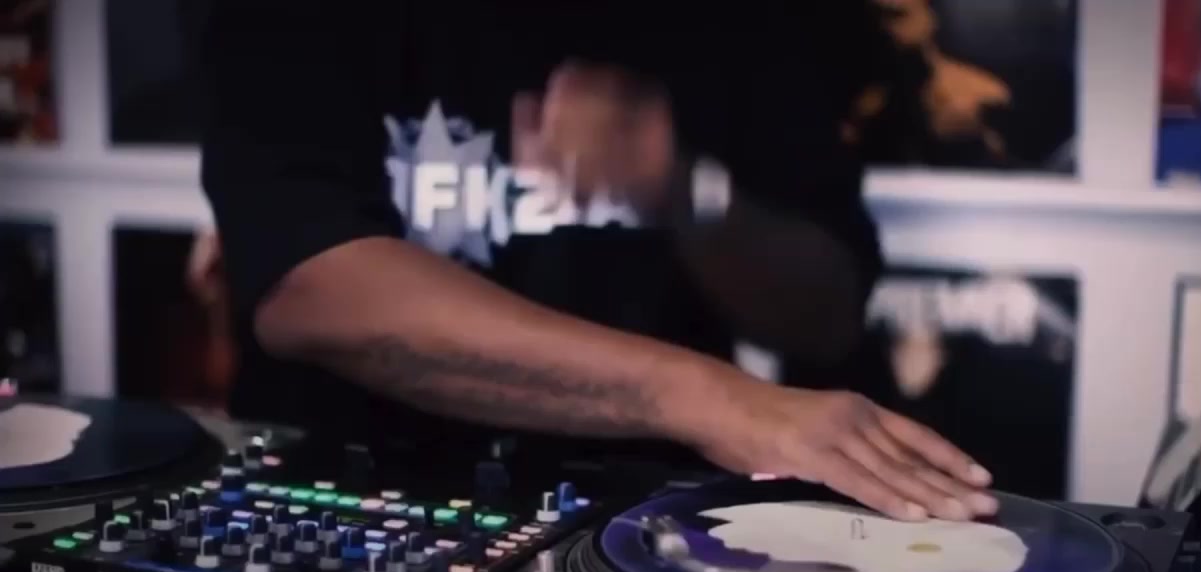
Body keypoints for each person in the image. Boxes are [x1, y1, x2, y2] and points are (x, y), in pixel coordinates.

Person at [200, 2, 998, 522]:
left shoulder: (744, 22)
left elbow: (826, 311)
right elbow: (311, 287)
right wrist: (707, 400)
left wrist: (682, 190)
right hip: (340, 497)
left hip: (641, 527)